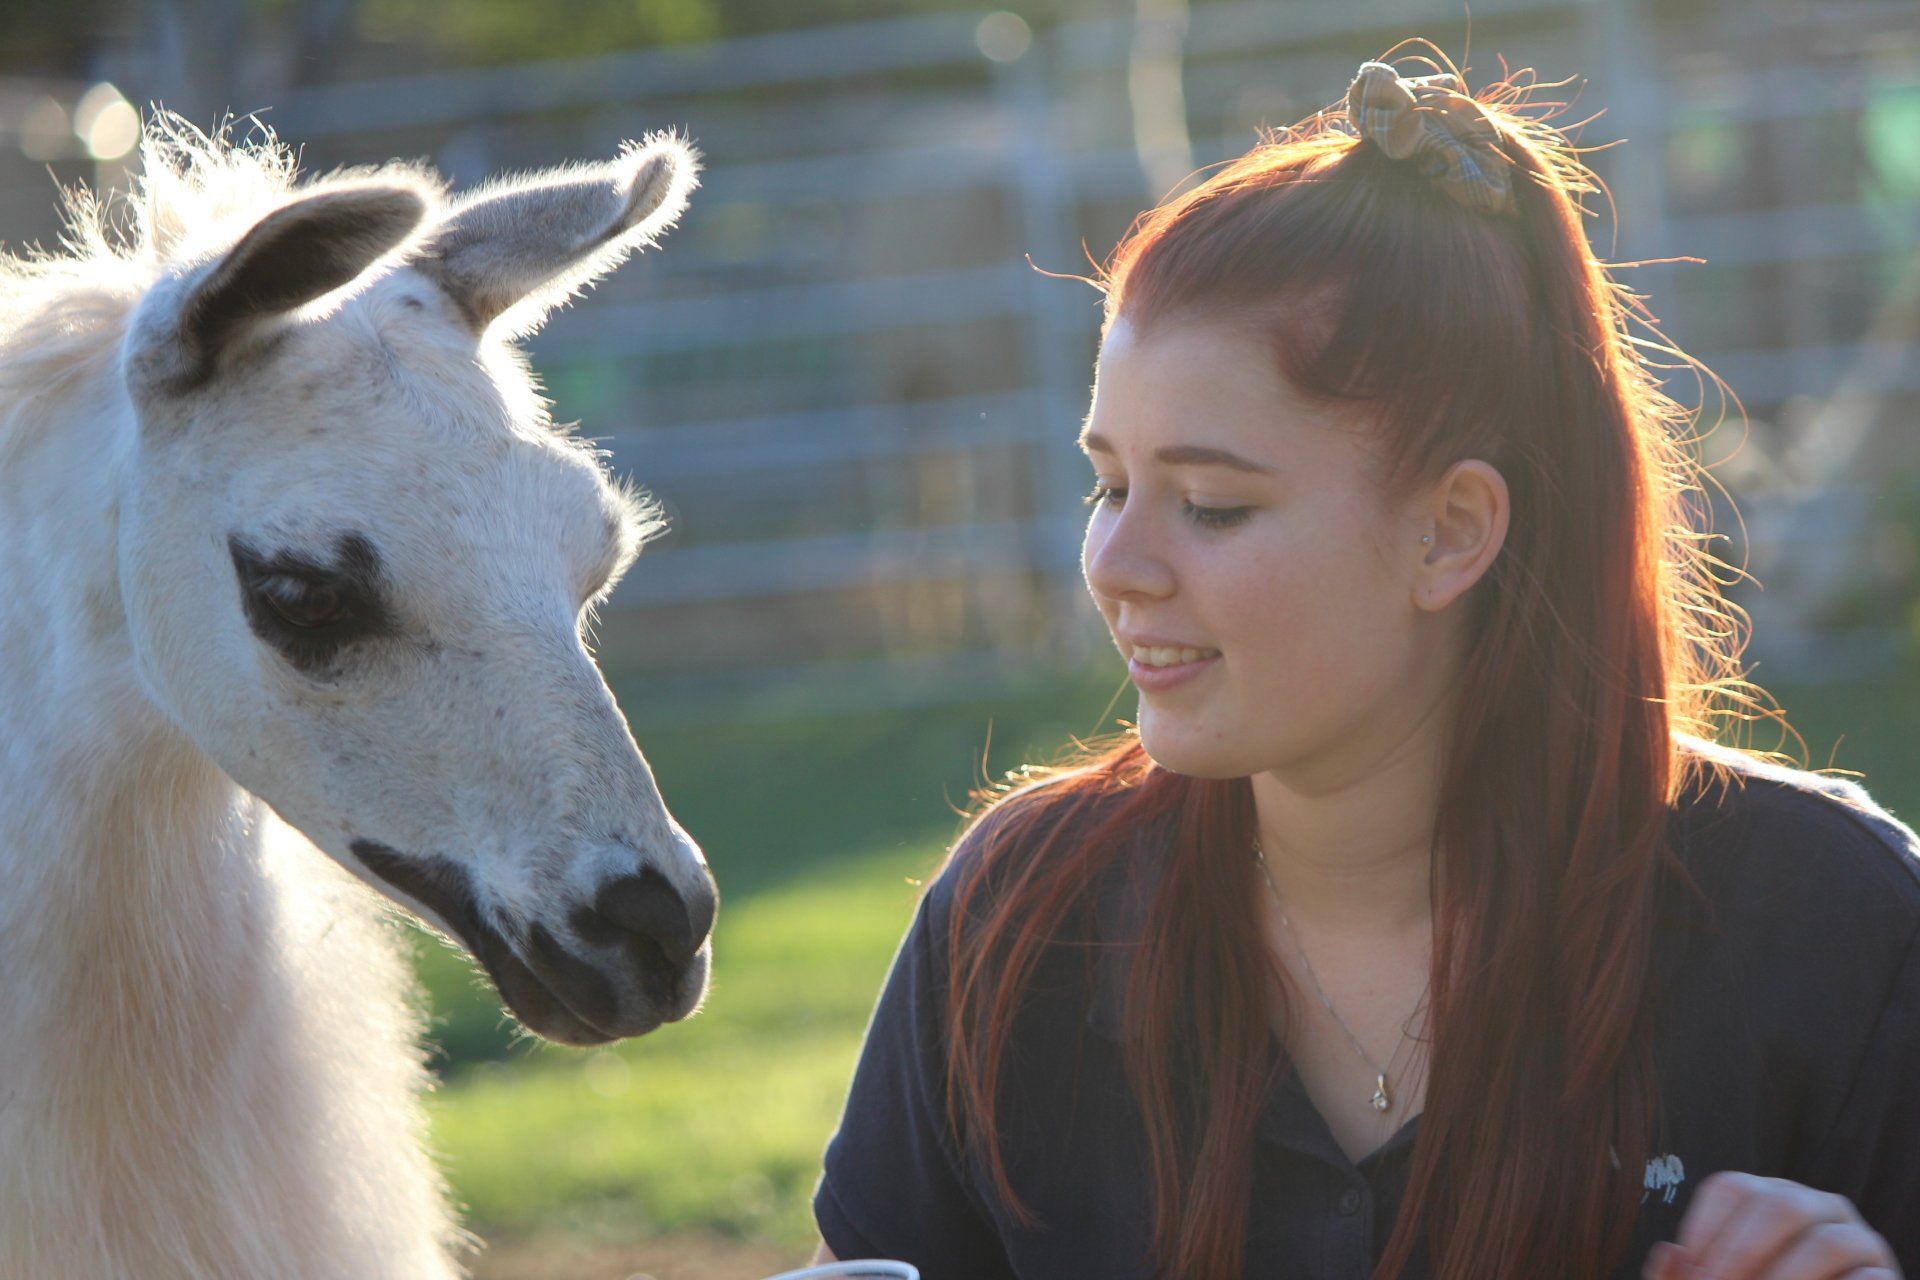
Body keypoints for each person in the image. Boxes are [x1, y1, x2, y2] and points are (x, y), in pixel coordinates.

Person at [808, 53, 1919, 1280]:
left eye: (1212, 504)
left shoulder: (1834, 926)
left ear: (1449, 531)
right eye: (1109, 483)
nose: (1114, 562)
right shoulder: (1011, 927)